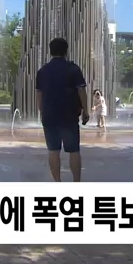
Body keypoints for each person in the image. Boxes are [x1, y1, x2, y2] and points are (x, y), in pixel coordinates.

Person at [35, 37, 90, 182]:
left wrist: (42, 112)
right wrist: (85, 110)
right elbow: (81, 91)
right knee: (74, 150)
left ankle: (58, 182)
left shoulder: (43, 71)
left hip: (49, 116)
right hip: (69, 115)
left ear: (50, 51)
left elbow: (39, 94)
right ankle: (76, 182)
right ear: (66, 51)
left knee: (53, 150)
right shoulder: (73, 69)